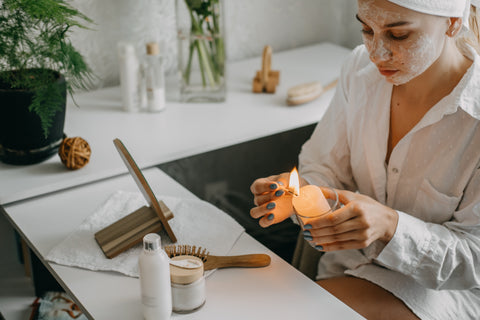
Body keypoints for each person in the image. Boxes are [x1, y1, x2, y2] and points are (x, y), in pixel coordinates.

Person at [250, 0, 480, 319]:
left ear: (453, 22)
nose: (376, 53)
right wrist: (301, 196)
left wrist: (391, 227)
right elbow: (325, 169)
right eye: (366, 29)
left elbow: (473, 256)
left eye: (398, 35)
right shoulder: (359, 71)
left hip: (443, 292)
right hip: (348, 267)